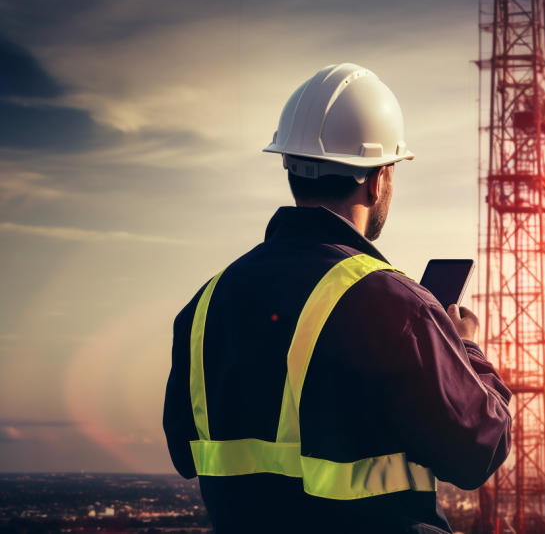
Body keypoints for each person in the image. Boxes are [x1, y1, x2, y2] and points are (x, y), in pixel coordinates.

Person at [162, 63, 512, 533]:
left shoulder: (206, 305)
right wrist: (465, 348)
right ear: (378, 179)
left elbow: (187, 454)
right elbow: (480, 449)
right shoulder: (396, 304)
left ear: (291, 168)